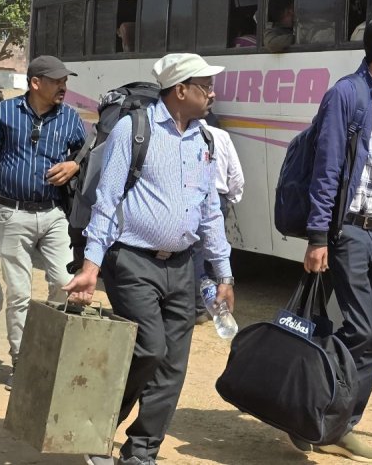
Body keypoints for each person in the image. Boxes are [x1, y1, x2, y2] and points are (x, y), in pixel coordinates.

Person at [63, 53, 234, 465]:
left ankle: (141, 452)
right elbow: (107, 200)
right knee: (149, 349)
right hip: (132, 262)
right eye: (205, 86)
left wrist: (223, 274)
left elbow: (210, 211)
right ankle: (94, 429)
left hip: (182, 266)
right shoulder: (134, 129)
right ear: (180, 90)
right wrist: (91, 266)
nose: (212, 94)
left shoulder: (205, 140)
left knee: (173, 366)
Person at [295, 10, 372, 463]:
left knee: (371, 333)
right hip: (346, 232)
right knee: (362, 331)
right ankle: (323, 420)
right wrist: (318, 238)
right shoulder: (345, 95)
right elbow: (327, 170)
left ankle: (331, 420)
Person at [0, 55, 86, 390]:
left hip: (55, 213)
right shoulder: (4, 113)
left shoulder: (71, 118)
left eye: (65, 81)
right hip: (13, 213)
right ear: (35, 83)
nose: (63, 87)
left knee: (64, 282)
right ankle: (22, 362)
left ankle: (51, 354)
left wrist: (74, 165)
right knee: (19, 294)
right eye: (57, 81)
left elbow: (86, 156)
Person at [194, 110, 244, 323]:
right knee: (215, 250)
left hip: (193, 197)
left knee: (194, 253)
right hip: (219, 199)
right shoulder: (222, 136)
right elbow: (237, 175)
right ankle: (213, 303)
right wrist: (231, 198)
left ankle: (197, 306)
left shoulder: (188, 134)